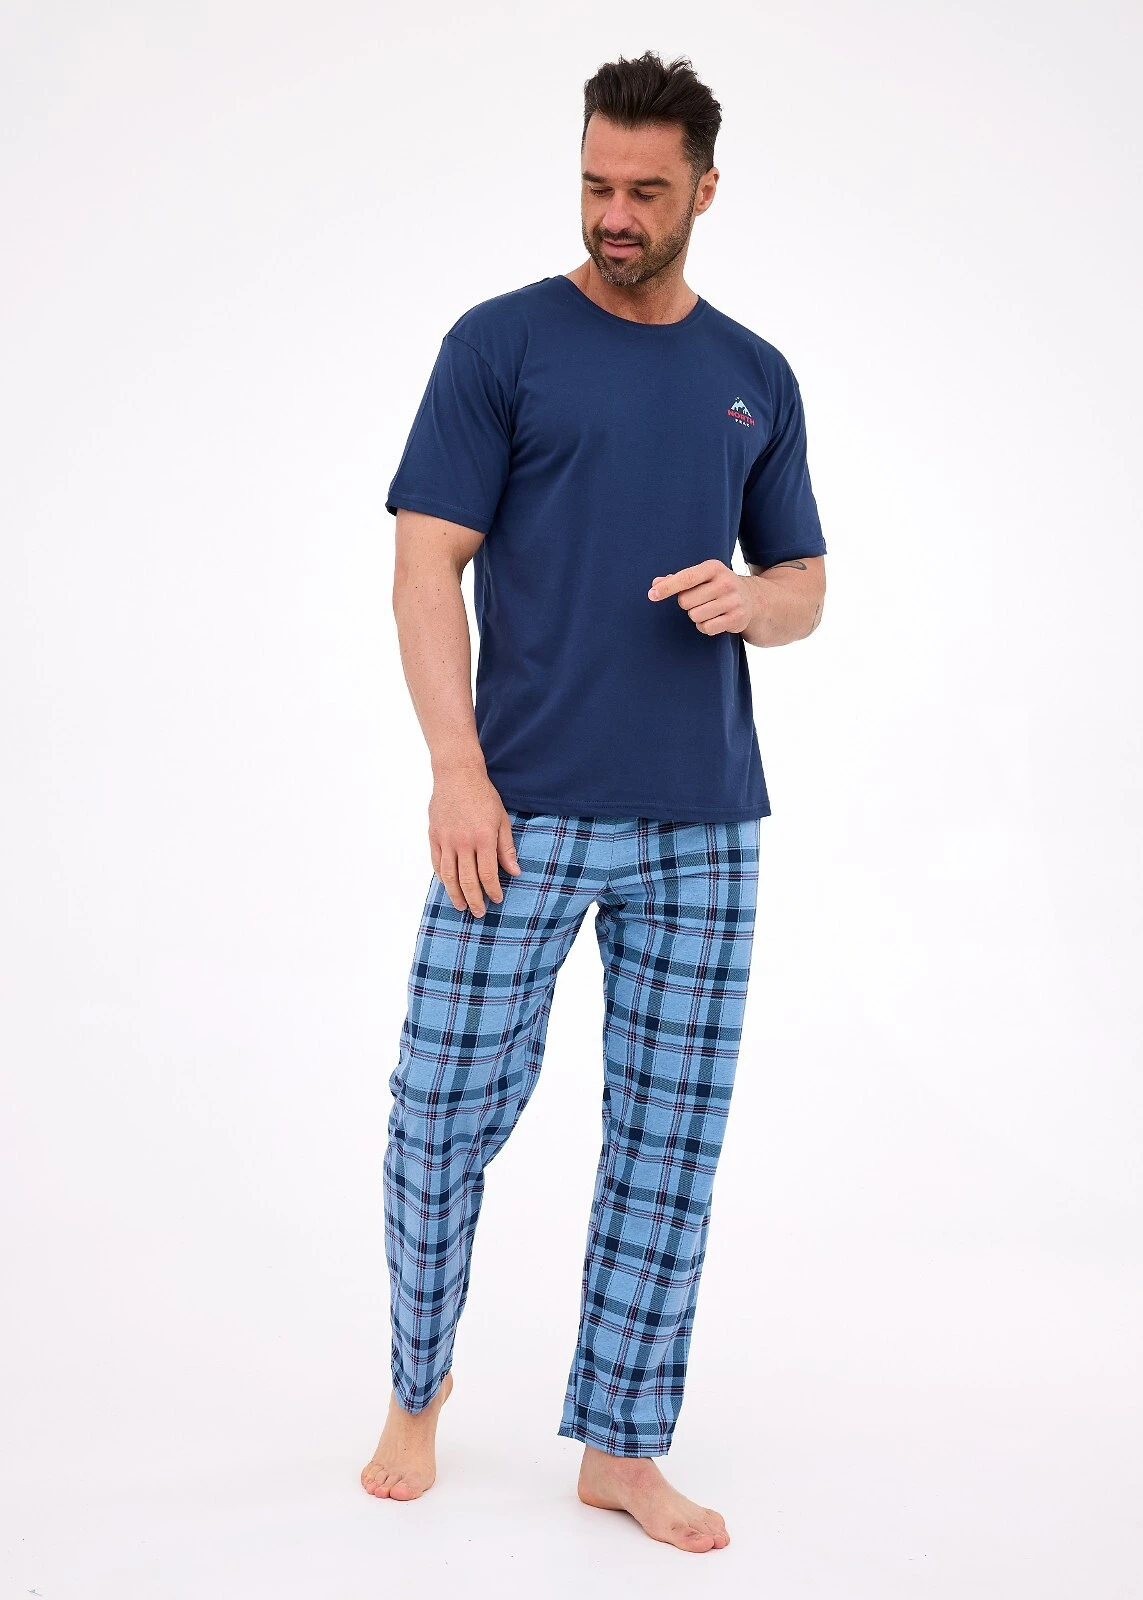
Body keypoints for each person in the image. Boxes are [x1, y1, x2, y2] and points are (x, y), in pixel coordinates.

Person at [361, 49, 827, 1554]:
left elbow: (805, 584)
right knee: (442, 1109)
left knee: (668, 1144)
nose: (614, 213)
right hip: (522, 810)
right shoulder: (499, 344)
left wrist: (754, 603)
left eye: (644, 190)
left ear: (704, 190)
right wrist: (456, 771)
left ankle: (622, 1447)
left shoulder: (755, 374)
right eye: (593, 184)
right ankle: (417, 1390)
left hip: (705, 818)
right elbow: (424, 562)